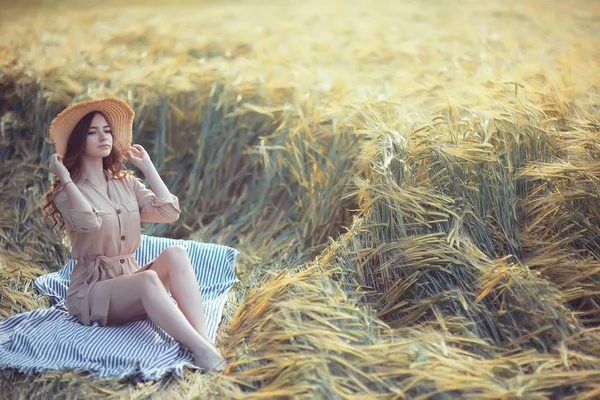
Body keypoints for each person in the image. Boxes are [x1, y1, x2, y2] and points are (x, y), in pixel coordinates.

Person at [42, 97, 226, 372]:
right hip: (93, 293)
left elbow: (169, 213)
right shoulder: (66, 192)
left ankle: (203, 342)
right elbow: (90, 223)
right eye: (93, 132)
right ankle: (200, 351)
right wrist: (66, 178)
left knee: (176, 253)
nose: (103, 137)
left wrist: (147, 167)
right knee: (148, 280)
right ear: (80, 141)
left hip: (129, 280)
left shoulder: (126, 183)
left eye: (107, 130)